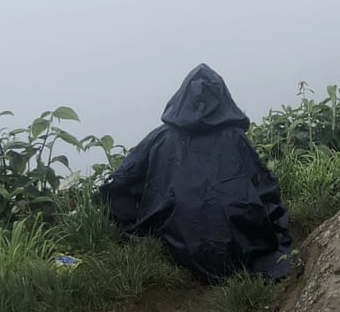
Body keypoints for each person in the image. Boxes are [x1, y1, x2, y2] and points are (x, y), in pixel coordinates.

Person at [96, 63, 294, 281]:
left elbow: (123, 181)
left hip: (178, 243)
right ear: (221, 97)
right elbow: (264, 190)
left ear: (181, 98)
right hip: (236, 245)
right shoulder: (234, 137)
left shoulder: (160, 138)